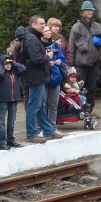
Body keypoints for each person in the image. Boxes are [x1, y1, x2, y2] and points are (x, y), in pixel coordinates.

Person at [22, 15, 62, 144]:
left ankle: (49, 130)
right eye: (41, 24)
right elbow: (36, 59)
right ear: (33, 24)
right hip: (35, 77)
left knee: (40, 105)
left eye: (44, 23)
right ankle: (31, 133)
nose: (44, 26)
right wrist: (47, 56)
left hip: (39, 76)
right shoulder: (31, 39)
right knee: (34, 106)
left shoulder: (34, 37)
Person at [68, 1, 101, 101]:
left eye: (91, 10)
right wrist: (71, 63)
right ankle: (80, 111)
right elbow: (71, 46)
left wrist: (100, 56)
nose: (90, 12)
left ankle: (89, 109)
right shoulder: (76, 27)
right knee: (79, 87)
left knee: (92, 87)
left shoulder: (97, 26)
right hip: (80, 64)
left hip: (94, 63)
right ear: (82, 12)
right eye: (87, 10)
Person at [0, 53, 25, 150]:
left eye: (9, 63)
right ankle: (0, 142)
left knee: (11, 121)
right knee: (1, 121)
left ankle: (10, 140)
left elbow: (23, 68)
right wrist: (1, 65)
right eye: (6, 64)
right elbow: (0, 73)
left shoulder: (15, 72)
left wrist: (13, 62)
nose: (8, 65)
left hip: (14, 99)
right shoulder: (1, 73)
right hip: (4, 99)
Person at [43, 24, 68, 127]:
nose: (49, 32)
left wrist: (59, 61)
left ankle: (52, 127)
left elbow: (63, 59)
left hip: (56, 78)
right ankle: (42, 127)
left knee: (54, 105)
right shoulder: (39, 45)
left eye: (49, 30)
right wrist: (47, 62)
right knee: (42, 105)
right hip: (44, 78)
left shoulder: (55, 45)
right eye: (46, 30)